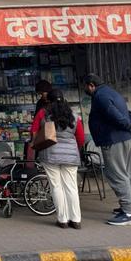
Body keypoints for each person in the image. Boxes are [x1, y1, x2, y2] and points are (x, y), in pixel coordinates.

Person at [83, 74, 131, 226]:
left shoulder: (100, 96)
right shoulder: (112, 92)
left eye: (85, 86)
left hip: (114, 140)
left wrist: (128, 125)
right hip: (125, 138)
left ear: (91, 85)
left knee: (117, 174)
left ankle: (128, 213)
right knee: (127, 173)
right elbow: (128, 112)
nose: (85, 89)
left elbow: (112, 113)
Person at [31, 89, 84, 229]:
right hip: (70, 156)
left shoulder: (43, 113)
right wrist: (74, 150)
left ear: (48, 101)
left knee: (56, 186)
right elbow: (80, 137)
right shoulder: (74, 115)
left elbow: (34, 131)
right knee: (71, 187)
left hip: (50, 154)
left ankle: (62, 219)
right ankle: (76, 219)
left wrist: (37, 145)